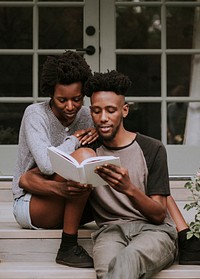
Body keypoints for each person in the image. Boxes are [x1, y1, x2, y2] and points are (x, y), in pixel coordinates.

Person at [83, 70, 178, 278]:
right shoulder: (89, 152)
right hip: (110, 231)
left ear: (124, 110)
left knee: (127, 260)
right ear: (90, 112)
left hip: (154, 231)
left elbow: (159, 214)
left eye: (110, 110)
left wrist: (129, 189)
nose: (103, 118)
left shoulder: (152, 148)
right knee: (109, 269)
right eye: (97, 111)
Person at [12, 51, 99, 268]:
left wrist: (99, 132)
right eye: (62, 100)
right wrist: (75, 140)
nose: (70, 107)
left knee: (89, 163)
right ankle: (68, 245)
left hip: (71, 195)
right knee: (83, 157)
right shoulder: (35, 114)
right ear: (50, 94)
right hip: (31, 203)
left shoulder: (88, 115)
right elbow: (48, 165)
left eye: (77, 99)